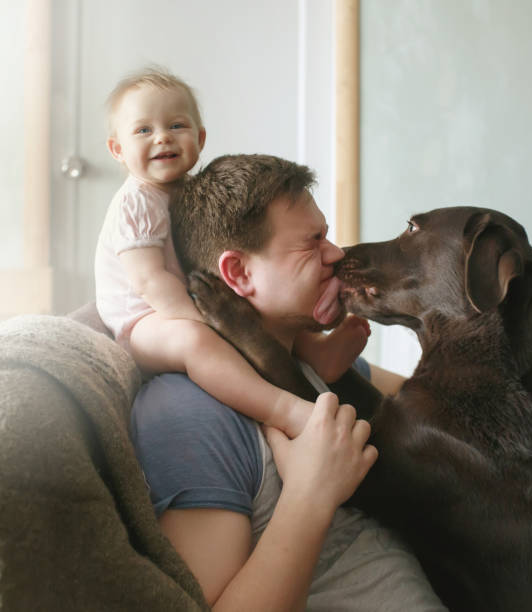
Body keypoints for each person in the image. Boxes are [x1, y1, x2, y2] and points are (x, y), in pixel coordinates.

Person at [131, 154, 448, 611]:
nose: (336, 253)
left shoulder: (316, 369)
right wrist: (309, 496)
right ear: (238, 273)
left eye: (327, 235)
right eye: (312, 243)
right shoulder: (190, 414)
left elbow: (433, 409)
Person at [94, 67, 369, 439]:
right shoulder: (136, 202)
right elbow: (148, 281)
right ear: (117, 150)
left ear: (200, 137)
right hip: (142, 318)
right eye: (143, 130)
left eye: (176, 126)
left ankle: (315, 356)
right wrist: (202, 322)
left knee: (272, 309)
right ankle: (283, 409)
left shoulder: (186, 190)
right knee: (196, 343)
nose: (162, 138)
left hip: (182, 296)